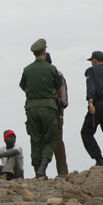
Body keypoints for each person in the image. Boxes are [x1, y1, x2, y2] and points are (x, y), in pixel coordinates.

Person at [19, 38, 62, 179]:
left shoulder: (27, 69)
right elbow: (59, 87)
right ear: (44, 52)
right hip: (48, 107)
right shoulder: (51, 69)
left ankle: (38, 171)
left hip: (31, 107)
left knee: (35, 139)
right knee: (49, 140)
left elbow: (23, 86)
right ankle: (42, 169)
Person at [46, 53, 69, 177]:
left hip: (56, 112)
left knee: (57, 142)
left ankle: (62, 172)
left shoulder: (58, 75)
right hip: (52, 111)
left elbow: (63, 99)